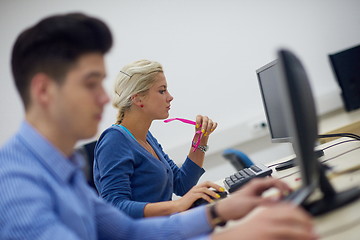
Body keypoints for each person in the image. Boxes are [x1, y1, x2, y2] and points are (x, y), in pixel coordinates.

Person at [0, 12, 317, 240]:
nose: (103, 98)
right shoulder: (15, 182)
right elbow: (129, 209)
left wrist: (219, 212)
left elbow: (128, 231)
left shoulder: (63, 167)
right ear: (43, 91)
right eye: (90, 84)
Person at [94, 59, 223, 218]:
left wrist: (200, 140)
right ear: (138, 99)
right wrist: (175, 205)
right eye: (162, 91)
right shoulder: (114, 140)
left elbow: (182, 184)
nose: (170, 97)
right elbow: (116, 206)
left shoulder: (146, 137)